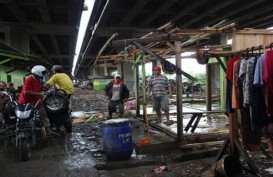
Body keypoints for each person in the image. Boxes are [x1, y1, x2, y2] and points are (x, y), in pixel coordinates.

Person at [19, 65, 59, 140]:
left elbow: (39, 87)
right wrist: (39, 94)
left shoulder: (37, 80)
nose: (43, 74)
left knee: (43, 114)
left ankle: (48, 131)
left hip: (36, 101)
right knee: (26, 117)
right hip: (27, 102)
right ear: (38, 72)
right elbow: (26, 92)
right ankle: (24, 131)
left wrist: (45, 88)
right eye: (43, 73)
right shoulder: (29, 80)